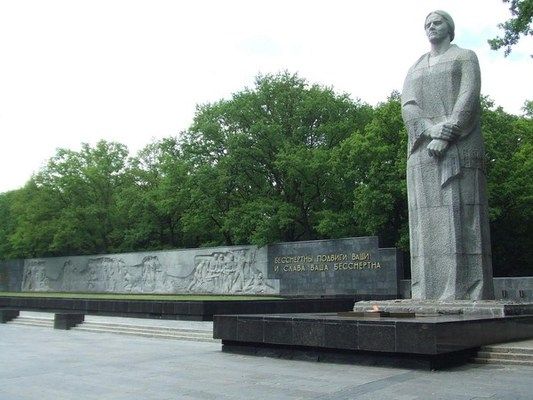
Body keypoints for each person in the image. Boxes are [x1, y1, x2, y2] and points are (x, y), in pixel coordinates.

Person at [401, 10, 494, 300]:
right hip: (422, 152)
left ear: (450, 28)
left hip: (459, 146)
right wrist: (430, 131)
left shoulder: (465, 57)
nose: (431, 27)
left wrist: (447, 132)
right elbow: (408, 104)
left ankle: (468, 291)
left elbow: (468, 97)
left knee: (462, 216)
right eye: (427, 24)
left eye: (437, 22)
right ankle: (427, 292)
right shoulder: (415, 67)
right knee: (424, 223)